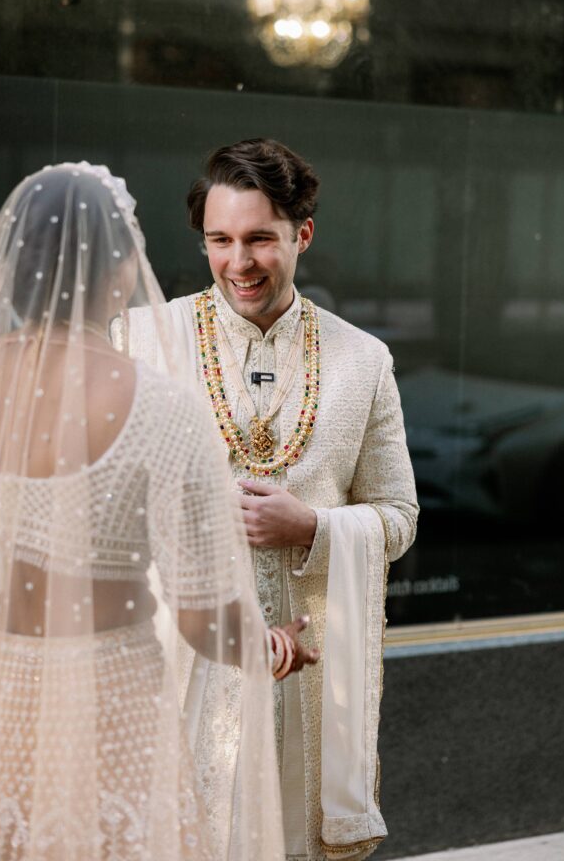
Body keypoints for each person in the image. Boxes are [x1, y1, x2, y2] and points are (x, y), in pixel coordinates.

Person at [0, 161, 316, 860]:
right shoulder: (160, 406)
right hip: (102, 713)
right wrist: (276, 645)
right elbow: (206, 619)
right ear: (118, 266)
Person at [112, 139, 419, 861]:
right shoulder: (140, 341)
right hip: (180, 658)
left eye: (259, 239)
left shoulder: (361, 359)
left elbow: (398, 516)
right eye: (218, 240)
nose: (237, 262)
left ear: (301, 235)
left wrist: (310, 526)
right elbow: (104, 513)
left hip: (307, 674)